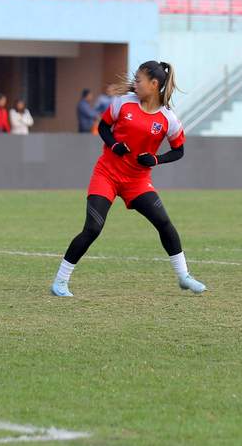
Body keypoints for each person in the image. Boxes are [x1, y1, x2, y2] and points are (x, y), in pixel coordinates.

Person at [51, 61, 205, 298]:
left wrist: (156, 160)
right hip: (107, 175)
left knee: (164, 223)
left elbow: (179, 150)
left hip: (138, 181)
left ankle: (184, 276)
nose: (135, 83)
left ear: (154, 85)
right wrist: (114, 144)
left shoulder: (168, 119)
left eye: (139, 80)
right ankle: (60, 281)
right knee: (93, 228)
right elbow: (103, 128)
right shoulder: (122, 104)